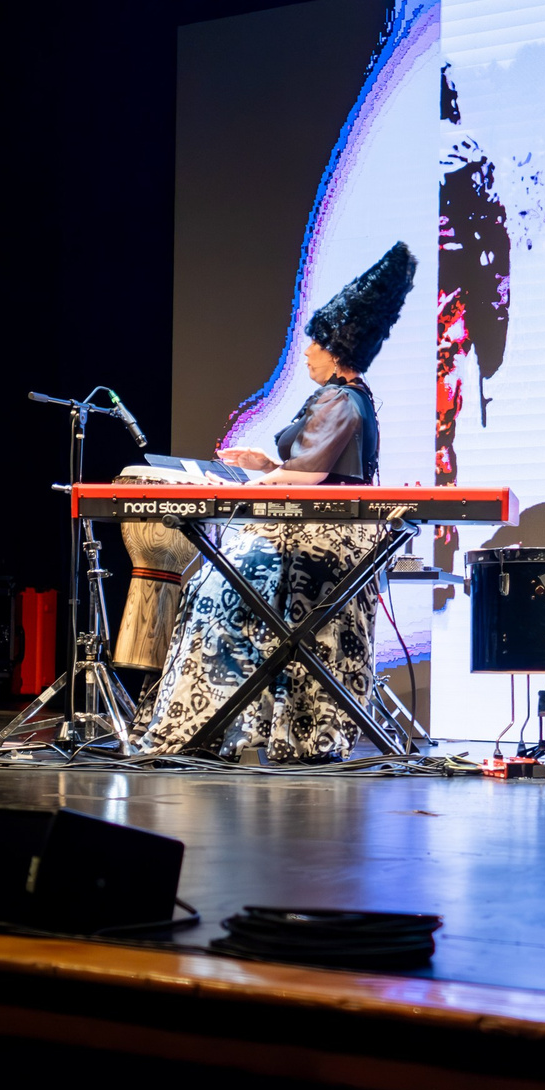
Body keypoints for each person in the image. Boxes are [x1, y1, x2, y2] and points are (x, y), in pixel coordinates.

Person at [133, 243, 416, 761]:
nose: (306, 351)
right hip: (313, 526)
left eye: (314, 343)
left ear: (337, 350)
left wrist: (235, 488)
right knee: (215, 587)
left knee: (218, 594)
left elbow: (307, 484)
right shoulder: (342, 398)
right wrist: (265, 466)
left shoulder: (340, 399)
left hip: (316, 536)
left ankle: (206, 725)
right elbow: (312, 468)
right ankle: (231, 722)